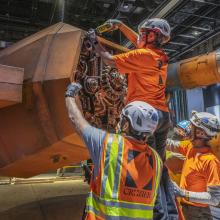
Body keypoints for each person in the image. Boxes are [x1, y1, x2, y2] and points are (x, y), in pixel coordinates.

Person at [87, 18, 179, 220]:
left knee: (148, 170)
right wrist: (120, 25)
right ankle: (171, 213)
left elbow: (108, 59)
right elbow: (137, 39)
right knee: (160, 167)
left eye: (147, 33)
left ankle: (159, 215)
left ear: (154, 36)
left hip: (145, 117)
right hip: (162, 116)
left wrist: (94, 41)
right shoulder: (160, 56)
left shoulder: (142, 55)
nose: (142, 36)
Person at [65, 82, 162, 219]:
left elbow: (76, 120)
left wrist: (69, 95)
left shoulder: (107, 143)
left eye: (122, 119)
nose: (118, 121)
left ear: (126, 124)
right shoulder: (156, 160)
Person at [167, 111, 220, 220]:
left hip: (199, 213)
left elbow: (214, 198)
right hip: (185, 208)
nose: (189, 129)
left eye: (192, 127)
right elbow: (171, 144)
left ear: (201, 133)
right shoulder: (190, 147)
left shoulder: (210, 161)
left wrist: (183, 193)